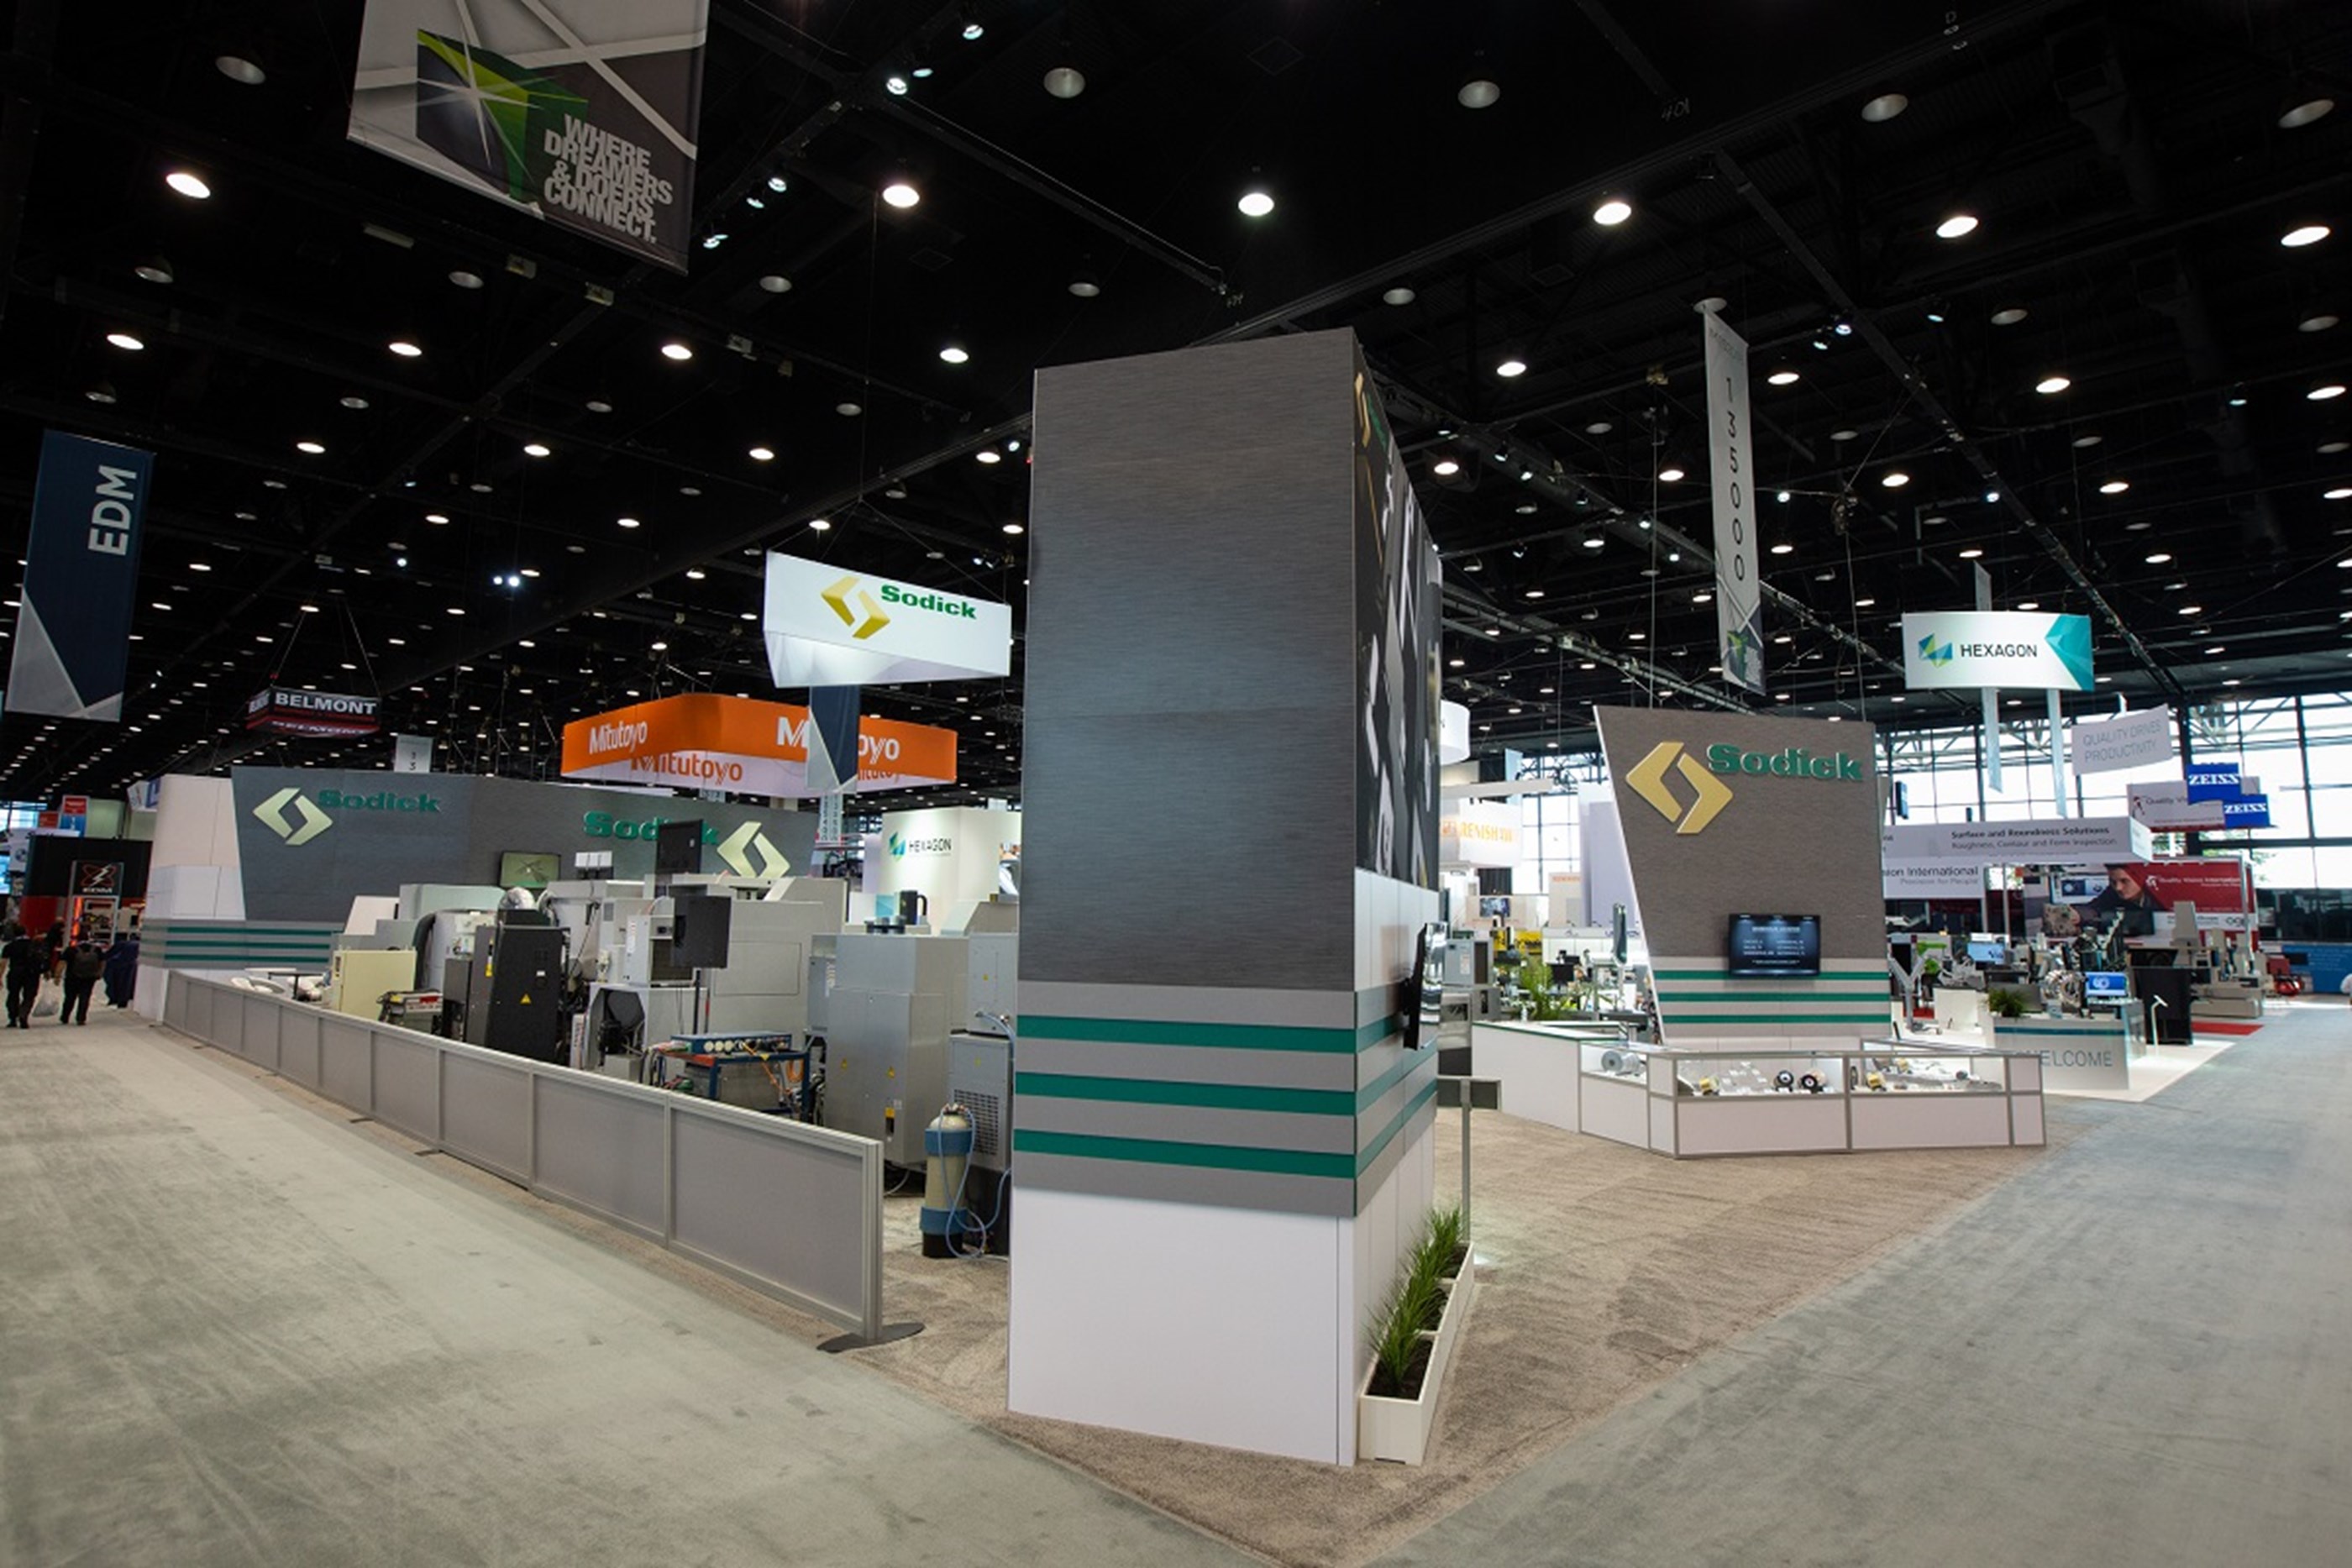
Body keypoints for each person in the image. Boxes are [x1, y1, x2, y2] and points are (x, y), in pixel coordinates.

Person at [60, 933, 105, 1025]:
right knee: (85, 997)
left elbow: (62, 962)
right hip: (89, 977)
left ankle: (65, 1017)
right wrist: (100, 973)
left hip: (72, 977)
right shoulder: (96, 950)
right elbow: (102, 962)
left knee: (70, 998)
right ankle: (81, 1018)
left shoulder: (71, 950)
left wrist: (57, 975)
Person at [3, 923, 42, 1027]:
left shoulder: (10, 946)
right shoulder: (33, 944)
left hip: (15, 972)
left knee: (13, 994)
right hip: (32, 973)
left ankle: (13, 1017)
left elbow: (3, 963)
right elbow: (40, 958)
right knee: (29, 995)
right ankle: (24, 1014)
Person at [102, 931, 139, 1009]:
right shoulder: (136, 946)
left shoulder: (121, 945)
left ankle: (116, 999)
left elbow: (107, 956)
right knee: (127, 986)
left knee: (117, 984)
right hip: (130, 968)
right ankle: (122, 1000)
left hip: (118, 968)